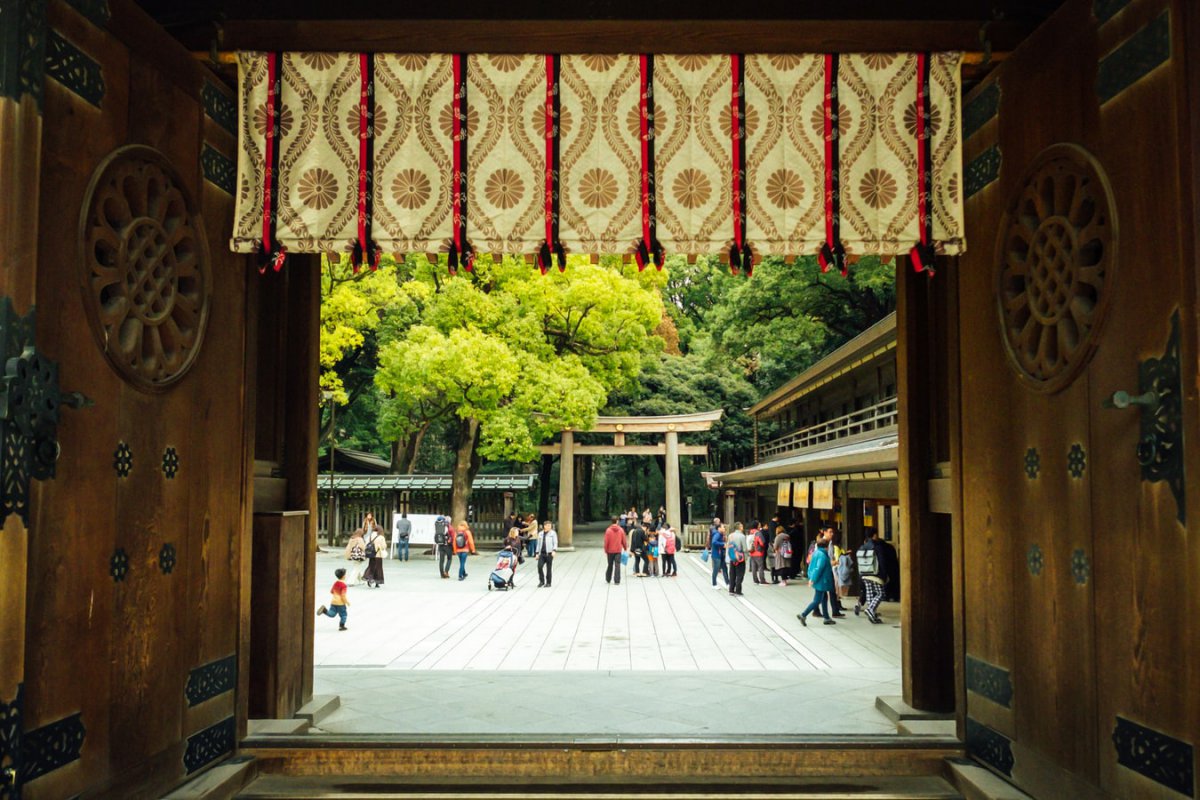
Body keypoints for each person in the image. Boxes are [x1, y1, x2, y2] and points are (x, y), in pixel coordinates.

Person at [797, 529, 836, 626]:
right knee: (817, 600)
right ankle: (804, 614)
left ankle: (826, 617)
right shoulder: (823, 556)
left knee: (823, 598)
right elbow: (819, 568)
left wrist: (811, 577)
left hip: (819, 580)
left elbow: (812, 566)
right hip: (822, 580)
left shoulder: (816, 553)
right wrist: (812, 579)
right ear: (826, 547)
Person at [855, 529, 887, 623]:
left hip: (864, 573)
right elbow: (882, 561)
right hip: (875, 573)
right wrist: (884, 575)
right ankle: (871, 610)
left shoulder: (862, 547)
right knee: (880, 594)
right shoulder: (877, 546)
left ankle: (872, 614)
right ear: (875, 535)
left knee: (869, 593)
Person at [361, 523, 388, 588]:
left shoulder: (370, 536)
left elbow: (366, 544)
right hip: (378, 554)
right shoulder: (381, 537)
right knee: (378, 568)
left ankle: (369, 578)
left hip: (371, 554)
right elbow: (384, 546)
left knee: (371, 566)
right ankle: (376, 581)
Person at [603, 516, 628, 585]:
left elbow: (606, 541)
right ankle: (617, 580)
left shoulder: (608, 530)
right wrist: (625, 547)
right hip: (618, 550)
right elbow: (624, 540)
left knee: (610, 564)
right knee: (617, 565)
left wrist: (605, 550)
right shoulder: (621, 530)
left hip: (610, 551)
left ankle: (608, 578)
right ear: (617, 521)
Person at [726, 521, 748, 595]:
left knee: (732, 574)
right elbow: (744, 548)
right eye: (742, 526)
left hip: (732, 557)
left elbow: (728, 546)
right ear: (739, 527)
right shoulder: (742, 536)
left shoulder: (730, 535)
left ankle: (731, 590)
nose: (743, 527)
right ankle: (738, 590)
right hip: (740, 558)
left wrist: (728, 557)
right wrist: (746, 557)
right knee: (740, 574)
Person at [537, 519, 557, 587]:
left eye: (550, 526)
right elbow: (538, 544)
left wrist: (554, 550)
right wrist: (537, 553)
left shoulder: (553, 533)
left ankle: (548, 582)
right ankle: (541, 581)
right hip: (542, 553)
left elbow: (555, 542)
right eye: (548, 526)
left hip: (549, 553)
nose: (549, 527)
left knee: (549, 568)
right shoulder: (540, 534)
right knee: (539, 567)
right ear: (544, 526)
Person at [709, 522, 729, 590]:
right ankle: (714, 584)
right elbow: (713, 542)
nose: (724, 528)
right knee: (716, 569)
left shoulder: (721, 534)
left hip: (721, 554)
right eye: (723, 527)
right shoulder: (717, 534)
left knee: (725, 569)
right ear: (719, 528)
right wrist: (723, 544)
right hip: (716, 555)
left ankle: (728, 583)